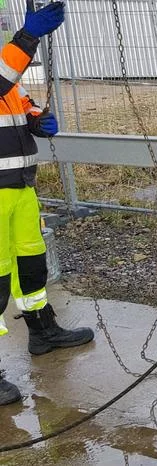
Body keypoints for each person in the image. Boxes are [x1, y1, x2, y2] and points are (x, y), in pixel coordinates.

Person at [0, 2, 94, 406]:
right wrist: (27, 37)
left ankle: (42, 330)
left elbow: (16, 99)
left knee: (31, 264)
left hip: (19, 187)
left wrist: (37, 119)